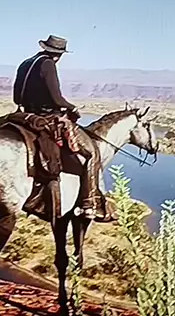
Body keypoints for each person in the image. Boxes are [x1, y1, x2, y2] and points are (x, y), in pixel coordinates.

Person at [13, 34, 114, 222]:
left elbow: (16, 97)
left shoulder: (26, 63)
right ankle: (89, 203)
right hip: (45, 116)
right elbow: (57, 98)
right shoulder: (48, 64)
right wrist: (72, 108)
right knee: (91, 154)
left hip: (25, 114)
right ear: (59, 54)